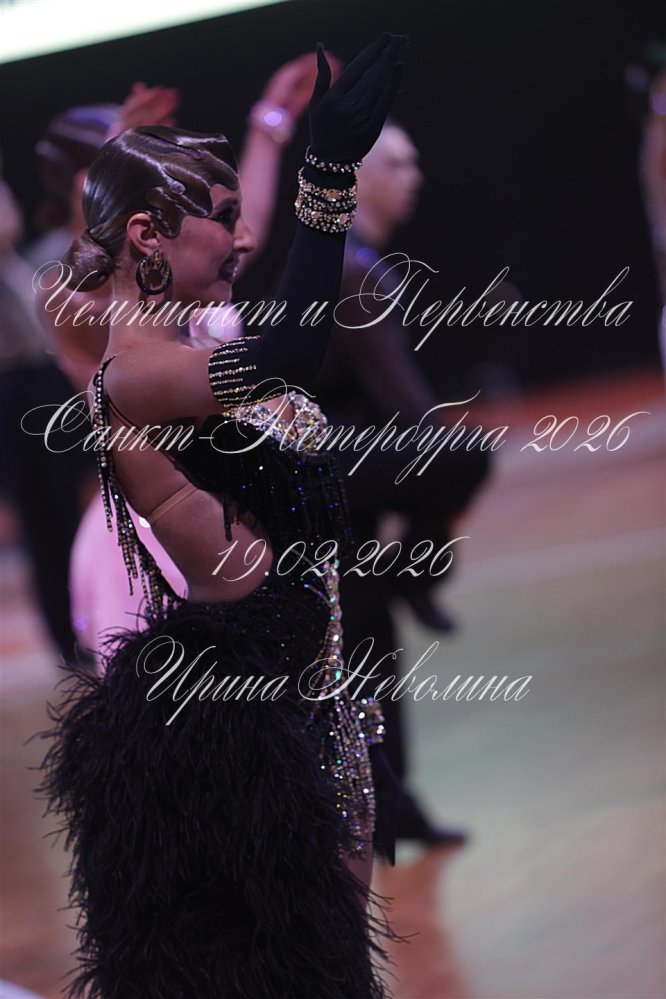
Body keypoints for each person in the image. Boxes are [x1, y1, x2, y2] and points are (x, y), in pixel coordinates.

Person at [37, 34, 406, 999]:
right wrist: (325, 175)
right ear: (150, 235)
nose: (244, 240)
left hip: (311, 688)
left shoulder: (189, 340)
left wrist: (271, 135)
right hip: (254, 714)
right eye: (224, 221)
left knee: (329, 968)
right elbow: (291, 348)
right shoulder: (134, 372)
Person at [314, 122, 493, 846]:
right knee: (465, 455)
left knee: (367, 638)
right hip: (333, 474)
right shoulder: (355, 271)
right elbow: (408, 406)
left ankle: (391, 805)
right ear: (358, 180)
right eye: (398, 163)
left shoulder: (350, 262)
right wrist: (439, 479)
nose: (414, 175)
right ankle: (418, 572)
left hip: (341, 475)